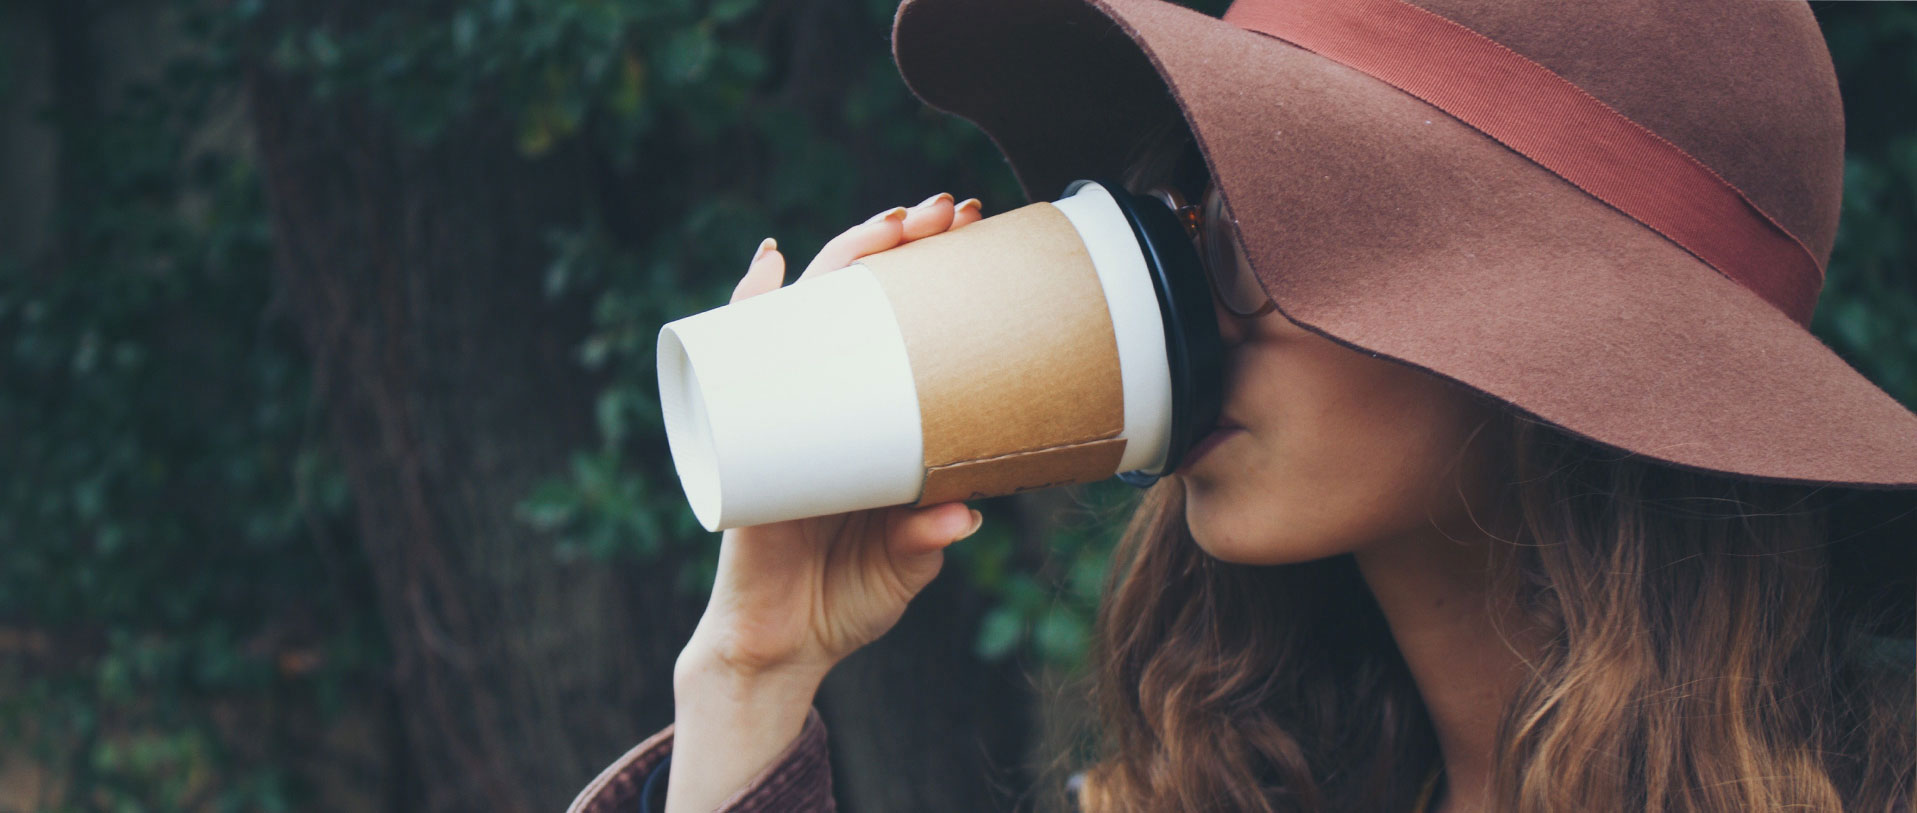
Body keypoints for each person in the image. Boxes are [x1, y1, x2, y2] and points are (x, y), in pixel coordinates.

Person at [569, 0, 1917, 810]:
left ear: (1556, 329)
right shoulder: (1204, 787)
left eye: (1280, 227)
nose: (1183, 306)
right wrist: (750, 675)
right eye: (1188, 214)